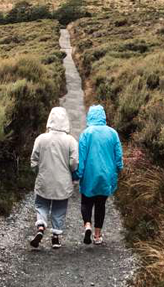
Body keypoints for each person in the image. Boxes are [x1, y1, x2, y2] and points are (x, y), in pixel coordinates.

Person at [29, 106, 79, 249]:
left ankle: (40, 227)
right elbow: (74, 162)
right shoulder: (70, 141)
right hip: (63, 182)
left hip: (44, 179)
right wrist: (71, 173)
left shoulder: (41, 139)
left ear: (50, 119)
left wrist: (37, 171)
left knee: (41, 204)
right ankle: (55, 237)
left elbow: (34, 159)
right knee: (59, 208)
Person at [77, 104, 123, 245]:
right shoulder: (112, 133)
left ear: (90, 117)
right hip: (106, 175)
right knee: (100, 204)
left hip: (89, 174)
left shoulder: (86, 133)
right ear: (103, 116)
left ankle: (87, 225)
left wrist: (79, 174)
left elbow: (81, 157)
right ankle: (97, 236)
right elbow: (118, 155)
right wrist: (119, 168)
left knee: (86, 202)